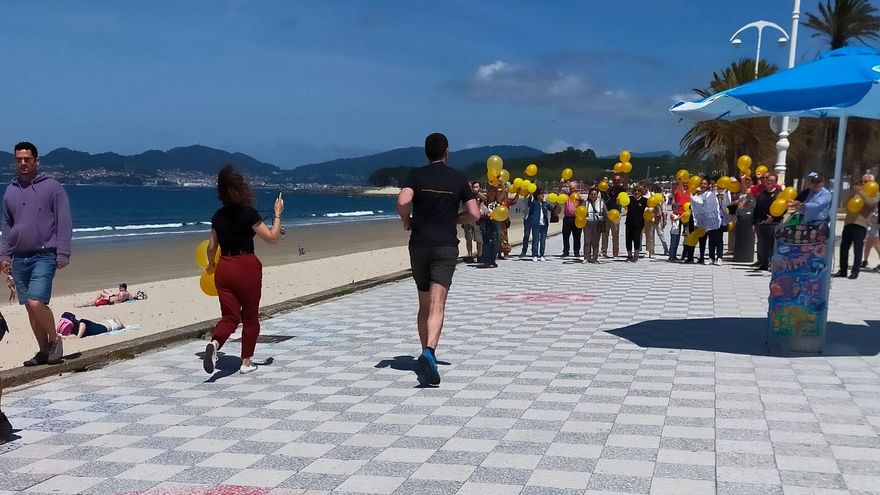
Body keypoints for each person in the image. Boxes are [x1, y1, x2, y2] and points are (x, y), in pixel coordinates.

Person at [396, 133, 479, 386]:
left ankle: (425, 351)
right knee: (438, 303)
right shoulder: (457, 178)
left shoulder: (416, 175)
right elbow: (474, 213)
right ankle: (430, 352)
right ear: (446, 152)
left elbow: (403, 200)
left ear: (426, 153)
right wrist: (455, 219)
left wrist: (406, 220)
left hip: (419, 244)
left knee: (424, 303)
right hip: (444, 245)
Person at [202, 165, 284, 375]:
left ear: (221, 192)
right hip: (246, 266)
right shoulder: (249, 213)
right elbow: (273, 238)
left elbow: (211, 247)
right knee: (250, 317)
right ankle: (246, 363)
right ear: (242, 189)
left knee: (229, 317)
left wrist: (211, 264)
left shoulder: (218, 216)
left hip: (225, 267)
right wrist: (277, 214)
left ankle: (215, 344)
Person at [1, 142, 72, 367]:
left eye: (27, 159)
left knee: (35, 302)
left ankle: (55, 340)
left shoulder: (52, 187)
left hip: (45, 255)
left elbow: (64, 221)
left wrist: (63, 253)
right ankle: (43, 351)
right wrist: (4, 255)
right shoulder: (10, 190)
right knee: (30, 310)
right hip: (19, 257)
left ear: (36, 161)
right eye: (19, 159)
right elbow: (6, 224)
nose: (23, 163)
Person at [835, 173, 880, 279]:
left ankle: (855, 271)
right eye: (861, 182)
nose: (863, 184)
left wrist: (861, 192)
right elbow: (846, 204)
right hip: (849, 222)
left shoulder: (875, 193)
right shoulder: (856, 192)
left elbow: (871, 203)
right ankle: (843, 270)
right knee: (844, 247)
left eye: (866, 182)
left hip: (861, 223)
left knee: (858, 248)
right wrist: (853, 193)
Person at [752, 174, 784, 271]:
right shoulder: (762, 194)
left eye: (771, 180)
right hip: (761, 224)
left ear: (775, 182)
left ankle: (772, 264)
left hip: (774, 223)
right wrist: (754, 222)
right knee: (763, 245)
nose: (769, 182)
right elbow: (756, 209)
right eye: (767, 180)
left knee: (772, 245)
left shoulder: (779, 194)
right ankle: (764, 263)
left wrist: (773, 217)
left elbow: (783, 209)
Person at [524, 188, 554, 261]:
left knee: (543, 240)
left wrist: (557, 204)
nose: (542, 195)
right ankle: (535, 255)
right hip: (536, 223)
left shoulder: (545, 204)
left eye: (543, 193)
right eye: (541, 193)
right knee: (535, 239)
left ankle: (542, 255)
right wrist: (530, 195)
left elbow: (553, 209)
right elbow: (529, 204)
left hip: (544, 224)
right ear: (537, 195)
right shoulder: (534, 203)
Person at [602, 175, 625, 258]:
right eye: (615, 180)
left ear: (620, 181)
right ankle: (603, 252)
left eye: (618, 180)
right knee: (605, 234)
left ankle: (615, 253)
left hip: (616, 214)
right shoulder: (609, 189)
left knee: (615, 235)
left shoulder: (622, 190)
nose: (616, 181)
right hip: (607, 213)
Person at [582, 188, 607, 264]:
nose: (593, 196)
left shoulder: (601, 202)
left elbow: (606, 212)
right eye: (592, 194)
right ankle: (586, 257)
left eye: (595, 194)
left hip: (597, 224)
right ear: (589, 195)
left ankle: (595, 258)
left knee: (595, 242)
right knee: (587, 241)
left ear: (597, 195)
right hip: (587, 223)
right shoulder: (585, 203)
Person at [56, 312, 125, 339]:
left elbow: (77, 337)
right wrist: (61, 336)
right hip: (101, 324)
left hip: (108, 326)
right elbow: (72, 336)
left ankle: (117, 320)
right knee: (100, 324)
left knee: (118, 326)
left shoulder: (82, 323)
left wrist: (63, 336)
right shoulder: (74, 329)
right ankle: (114, 319)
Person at [625, 186, 648, 262]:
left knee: (636, 238)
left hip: (639, 223)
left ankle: (636, 255)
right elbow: (620, 202)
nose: (636, 192)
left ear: (641, 192)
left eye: (638, 191)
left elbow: (652, 206)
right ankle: (629, 255)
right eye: (635, 190)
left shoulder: (644, 200)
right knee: (628, 239)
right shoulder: (629, 199)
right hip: (629, 222)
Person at [462, 182, 483, 262]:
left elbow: (485, 199)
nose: (471, 188)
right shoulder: (465, 195)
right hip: (467, 219)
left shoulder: (479, 195)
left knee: (479, 239)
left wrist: (478, 193)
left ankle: (479, 256)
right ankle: (470, 256)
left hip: (477, 219)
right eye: (470, 187)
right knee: (468, 239)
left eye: (473, 187)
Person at [560, 181, 582, 258]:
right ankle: (566, 251)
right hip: (567, 218)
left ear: (576, 188)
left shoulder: (579, 197)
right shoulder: (566, 195)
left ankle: (577, 252)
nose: (571, 189)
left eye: (573, 188)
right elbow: (559, 197)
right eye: (570, 188)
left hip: (577, 218)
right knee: (565, 235)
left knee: (577, 236)